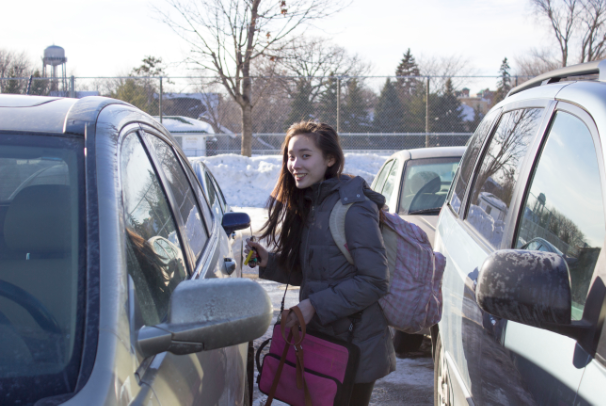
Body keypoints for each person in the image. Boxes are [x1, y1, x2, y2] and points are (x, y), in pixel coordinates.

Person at [246, 121, 395, 406]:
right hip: (321, 341)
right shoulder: (313, 203)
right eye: (290, 156)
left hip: (354, 347)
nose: (294, 164)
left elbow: (375, 281)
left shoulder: (354, 208)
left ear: (330, 159)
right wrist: (268, 263)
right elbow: (317, 272)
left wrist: (314, 305)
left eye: (305, 155)